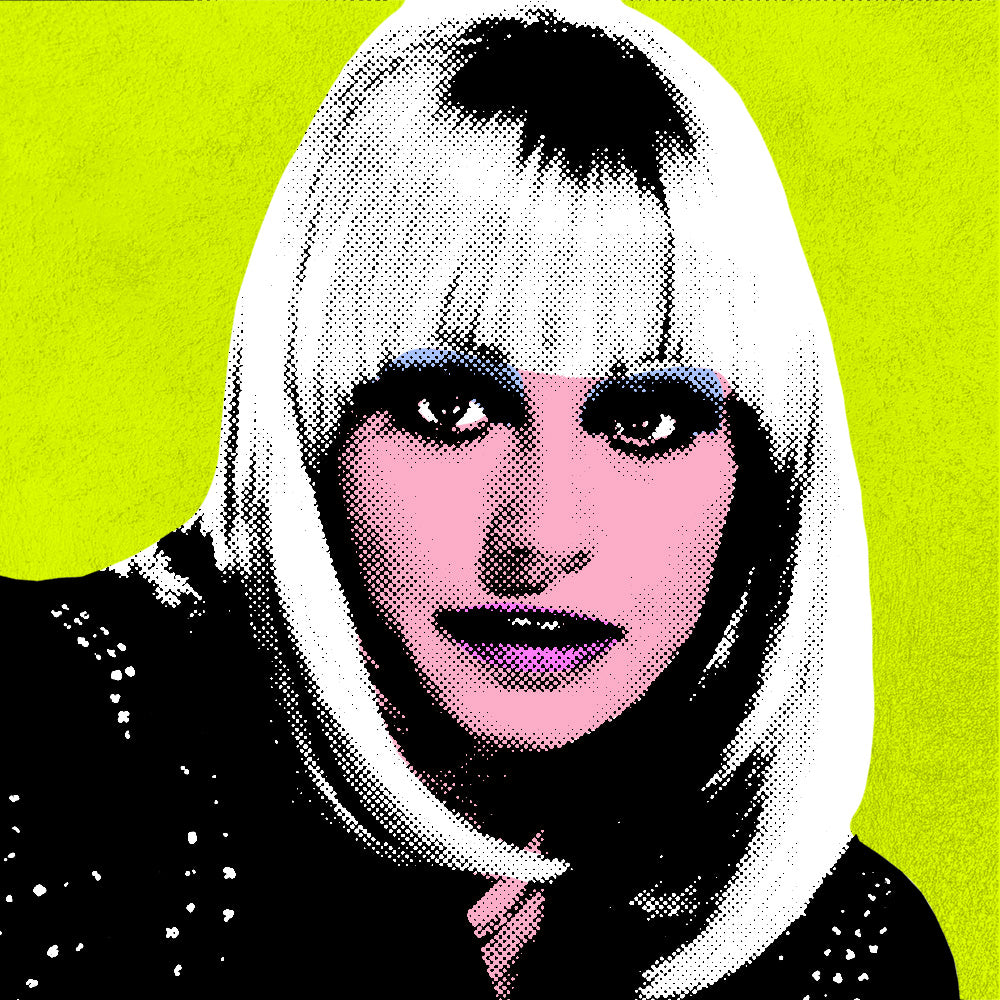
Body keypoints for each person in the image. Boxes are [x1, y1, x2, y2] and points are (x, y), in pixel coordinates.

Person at [2, 1, 958, 996]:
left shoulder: (839, 950)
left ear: (762, 479)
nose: (543, 534)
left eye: (644, 421)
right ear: (308, 426)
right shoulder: (47, 741)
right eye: (449, 407)